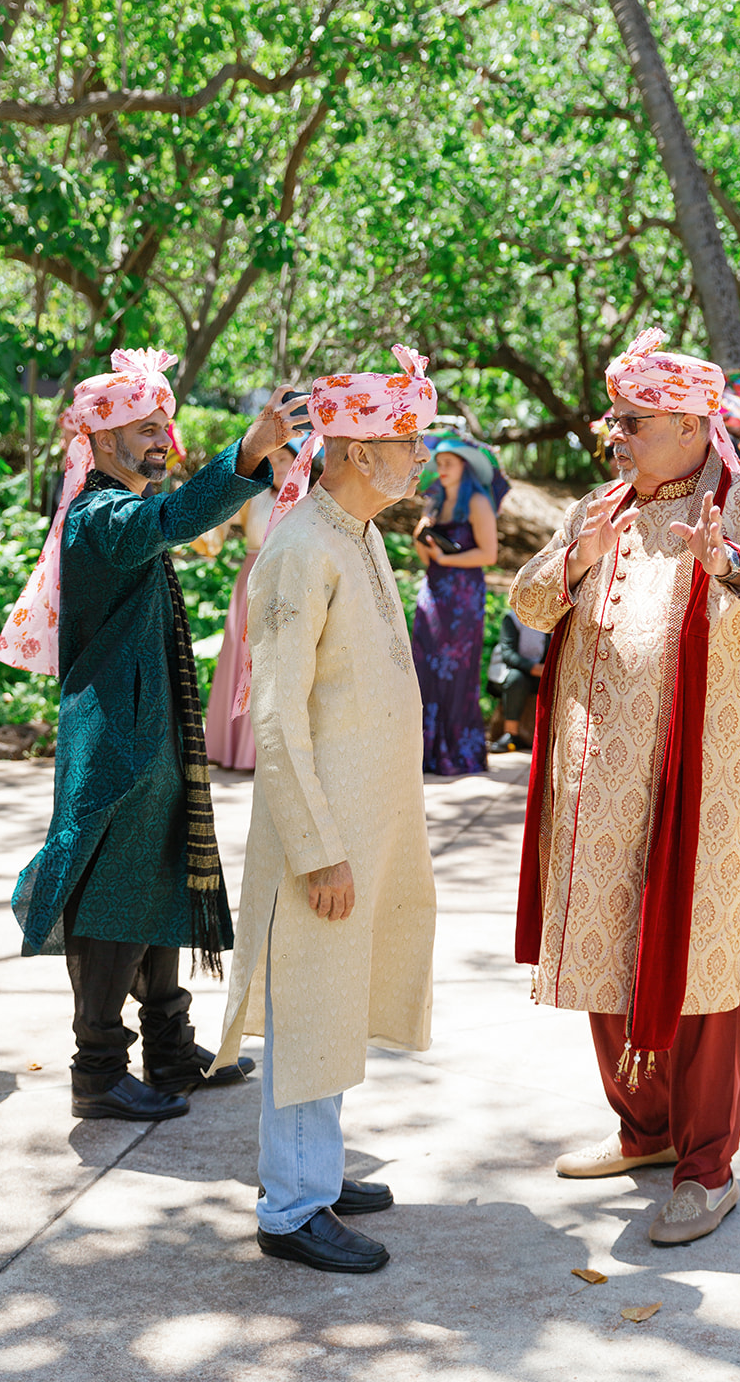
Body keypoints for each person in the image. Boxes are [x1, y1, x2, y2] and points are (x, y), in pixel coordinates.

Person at [511, 328, 740, 1246]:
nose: (611, 434)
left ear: (695, 426)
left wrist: (729, 563)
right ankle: (643, 1132)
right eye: (612, 418)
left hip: (700, 788)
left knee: (697, 972)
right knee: (603, 960)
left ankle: (706, 1167)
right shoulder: (598, 506)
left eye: (632, 420)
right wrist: (573, 559)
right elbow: (528, 606)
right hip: (593, 789)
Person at [0, 349, 307, 1122]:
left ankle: (168, 1048)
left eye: (162, 423)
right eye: (141, 428)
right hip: (118, 744)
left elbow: (171, 515)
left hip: (147, 734)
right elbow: (169, 520)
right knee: (110, 899)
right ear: (98, 442)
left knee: (158, 879)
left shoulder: (115, 506)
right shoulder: (100, 514)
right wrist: (249, 451)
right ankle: (98, 1071)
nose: (160, 437)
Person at [211, 346, 438, 1276]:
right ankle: (291, 1206)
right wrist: (316, 849)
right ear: (350, 451)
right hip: (326, 833)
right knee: (307, 1005)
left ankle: (320, 1170)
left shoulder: (356, 532)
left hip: (367, 822)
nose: (419, 453)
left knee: (338, 997)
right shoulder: (301, 547)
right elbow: (275, 710)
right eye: (404, 439)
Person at [202, 440, 300, 771]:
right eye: (272, 460)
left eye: (284, 459)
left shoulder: (309, 498)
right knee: (244, 656)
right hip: (253, 580)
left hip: (294, 581)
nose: (278, 466)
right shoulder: (253, 496)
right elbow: (216, 521)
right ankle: (235, 750)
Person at [412, 437, 499, 775]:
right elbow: (425, 557)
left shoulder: (477, 501)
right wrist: (422, 534)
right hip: (433, 592)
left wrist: (447, 561)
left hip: (463, 596)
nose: (442, 469)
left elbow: (488, 555)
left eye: (450, 462)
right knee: (425, 667)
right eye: (440, 463)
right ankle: (427, 751)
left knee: (456, 670)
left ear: (465, 465)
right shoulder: (432, 502)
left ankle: (456, 753)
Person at [486, 609, 549, 754]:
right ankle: (511, 734)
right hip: (512, 672)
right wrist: (536, 669)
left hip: (544, 674)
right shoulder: (513, 618)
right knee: (517, 680)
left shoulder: (556, 616)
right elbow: (508, 654)